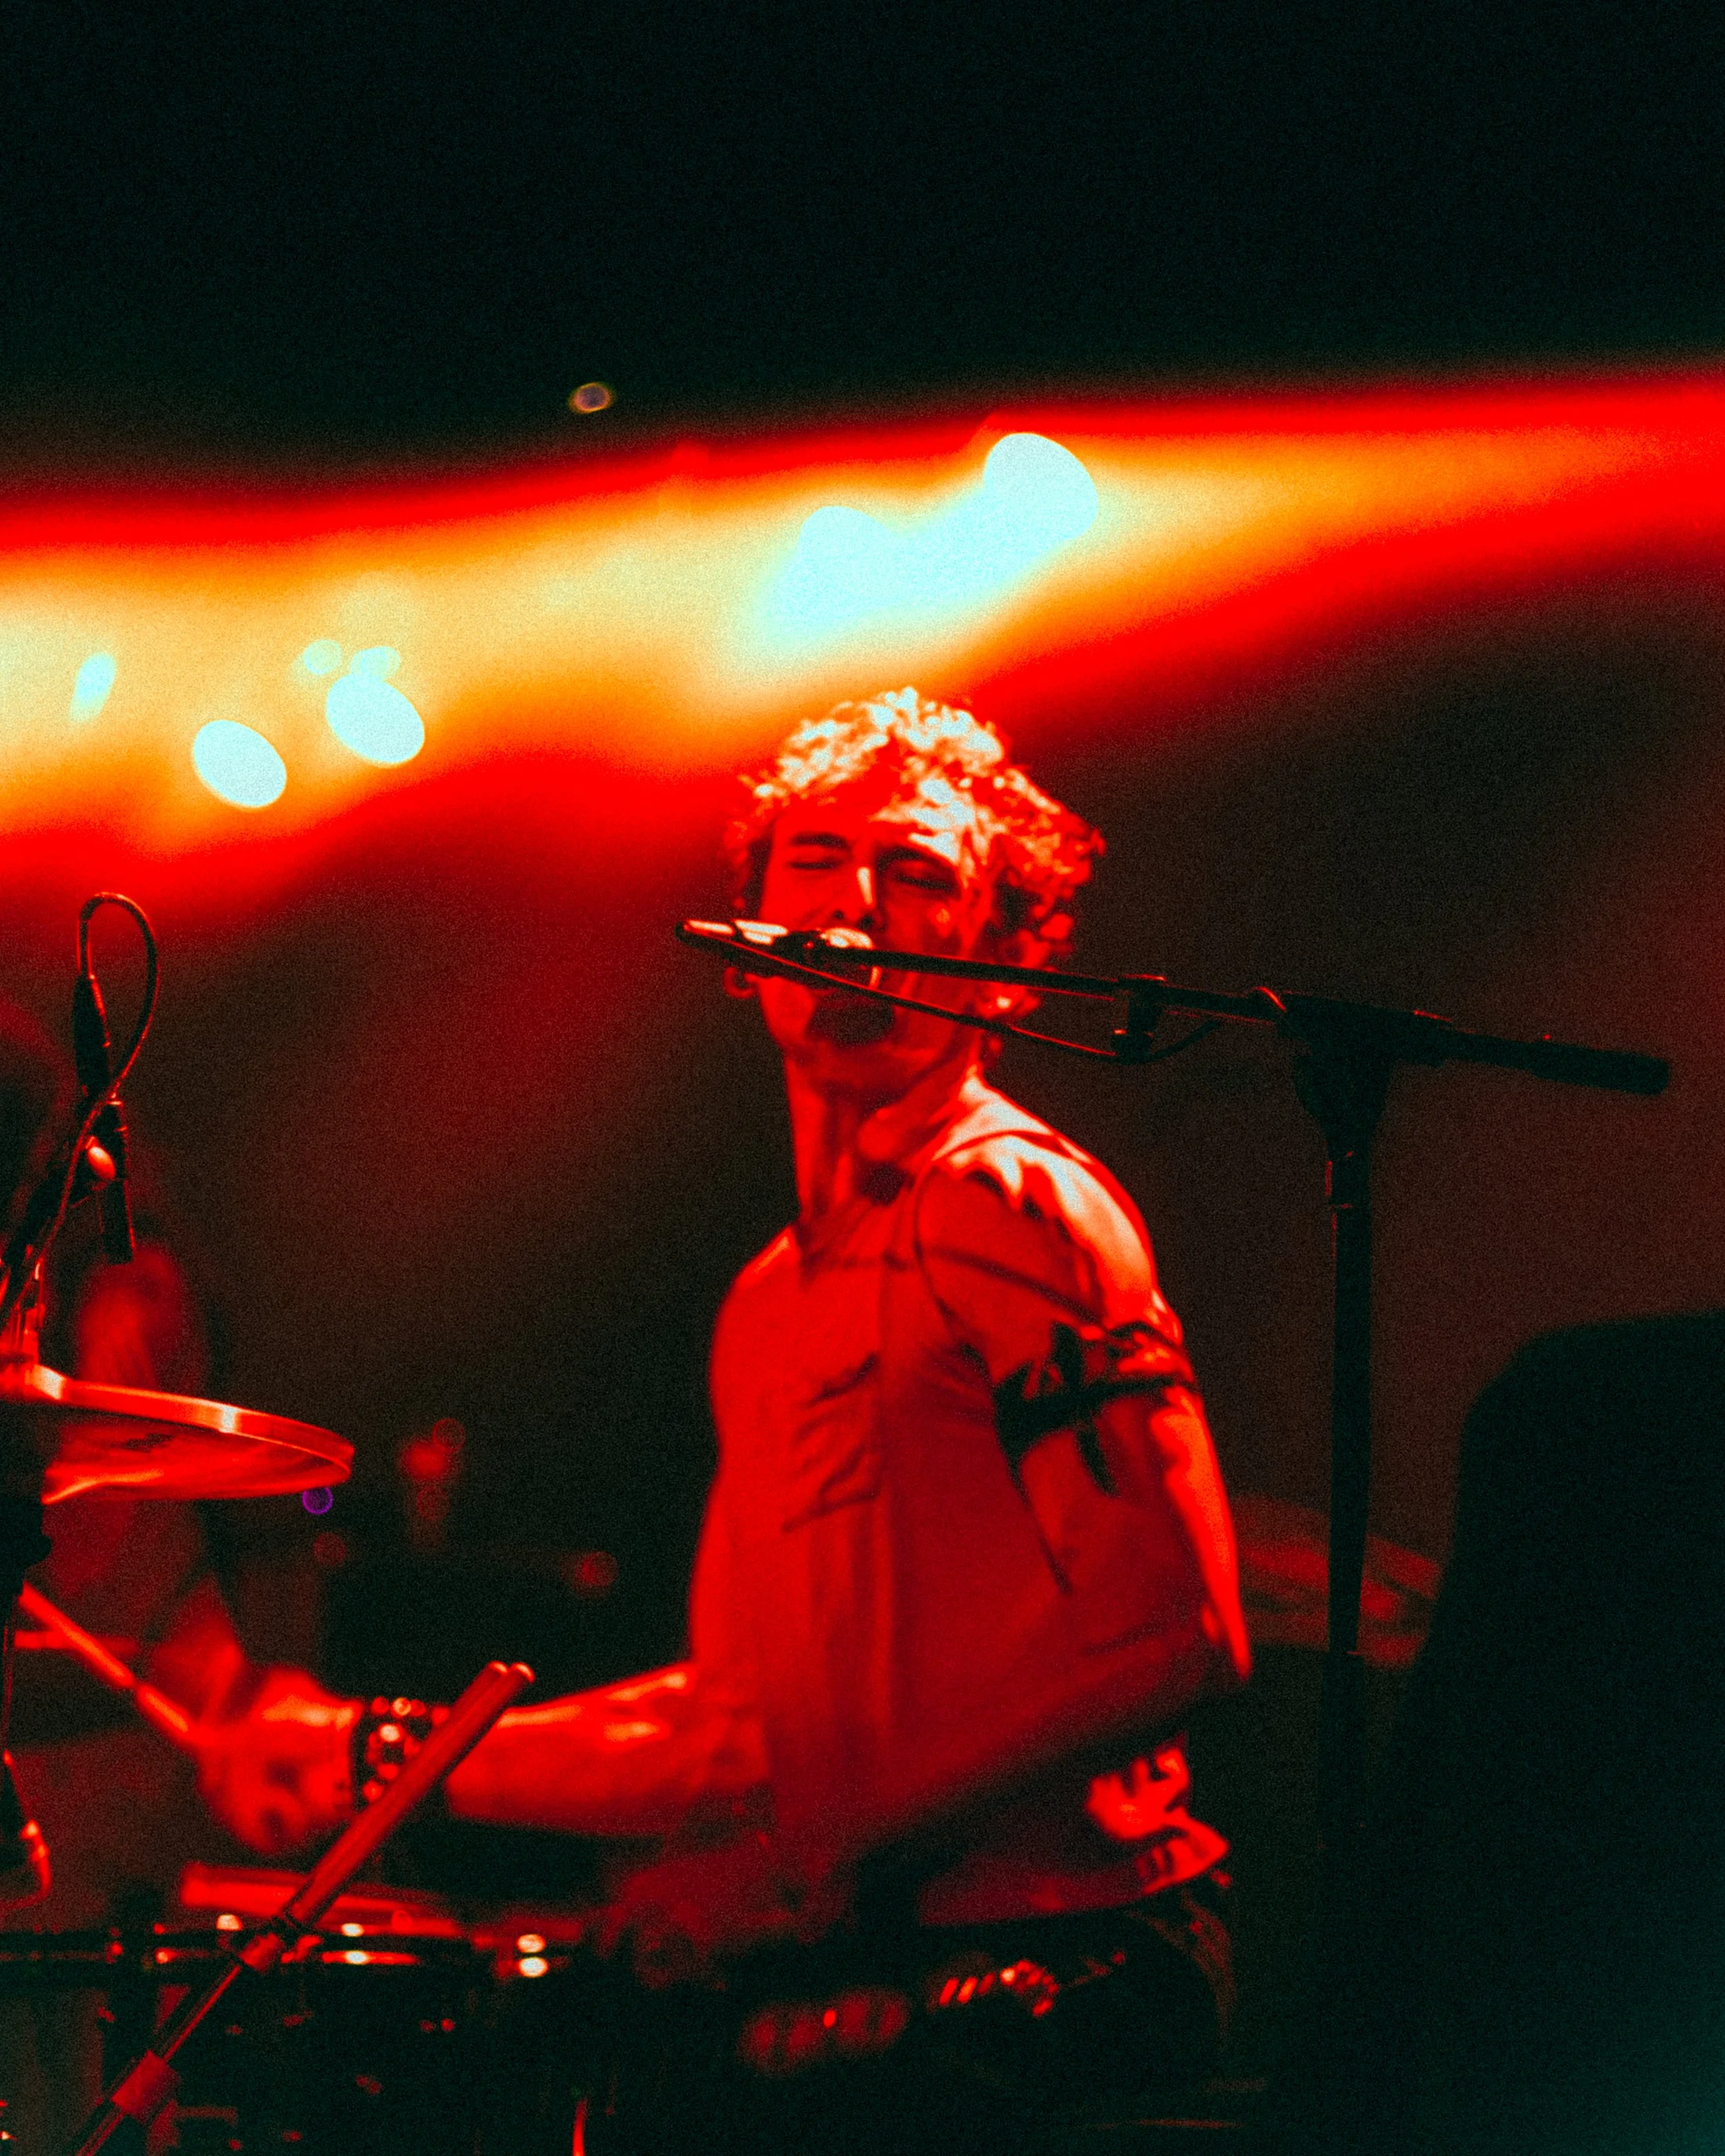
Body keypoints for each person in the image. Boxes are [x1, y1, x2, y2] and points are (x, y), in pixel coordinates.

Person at [226, 689, 1251, 2150]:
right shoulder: (769, 1298)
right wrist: (376, 1755)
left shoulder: (1007, 1201)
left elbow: (1181, 1633)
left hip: (1075, 1946)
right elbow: (731, 1720)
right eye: (815, 863)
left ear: (1007, 962)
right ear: (748, 943)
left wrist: (795, 1855)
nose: (852, 909)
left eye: (915, 871)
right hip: (878, 1932)